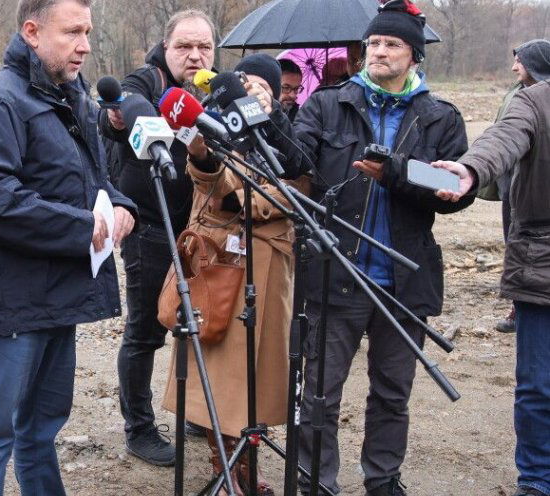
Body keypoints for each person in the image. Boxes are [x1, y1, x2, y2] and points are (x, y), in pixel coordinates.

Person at [284, 1, 474, 494]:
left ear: (413, 54)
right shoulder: (328, 103)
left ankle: (383, 478)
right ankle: (315, 481)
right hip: (335, 273)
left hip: (403, 282)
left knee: (392, 394)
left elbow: (456, 190)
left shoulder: (440, 117)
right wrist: (269, 125)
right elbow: (295, 160)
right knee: (320, 395)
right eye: (373, 44)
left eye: (391, 44)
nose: (379, 52)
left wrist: (398, 172)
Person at [0, 0, 137, 494]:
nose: (85, 45)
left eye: (88, 32)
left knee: (40, 429)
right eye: (72, 32)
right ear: (32, 32)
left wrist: (120, 206)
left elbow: (90, 180)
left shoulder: (72, 97)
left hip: (60, 294)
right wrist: (81, 227)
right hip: (10, 303)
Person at [161, 70, 295, 495]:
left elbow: (299, 188)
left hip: (270, 269)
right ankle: (224, 465)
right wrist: (242, 194)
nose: (249, 91)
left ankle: (247, 465)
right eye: (243, 81)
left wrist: (252, 197)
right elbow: (213, 181)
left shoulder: (285, 133)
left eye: (261, 86)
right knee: (217, 374)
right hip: (220, 262)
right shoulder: (211, 126)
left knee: (260, 377)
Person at [97, 9, 216, 467]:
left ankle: (194, 413)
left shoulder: (212, 89)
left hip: (203, 231)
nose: (195, 55)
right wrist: (134, 120)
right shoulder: (145, 80)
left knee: (200, 325)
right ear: (167, 48)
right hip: (149, 224)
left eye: (203, 46)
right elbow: (122, 111)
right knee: (146, 330)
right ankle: (139, 428)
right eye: (185, 46)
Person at [433, 39, 550, 496]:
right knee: (539, 385)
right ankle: (538, 479)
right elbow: (503, 137)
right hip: (542, 260)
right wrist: (470, 170)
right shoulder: (534, 100)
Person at [481, 39, 550, 334]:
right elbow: (504, 135)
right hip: (511, 181)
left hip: (532, 192)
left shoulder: (535, 99)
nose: (514, 66)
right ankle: (519, 304)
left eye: (520, 61)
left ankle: (520, 306)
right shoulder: (520, 94)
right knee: (516, 244)